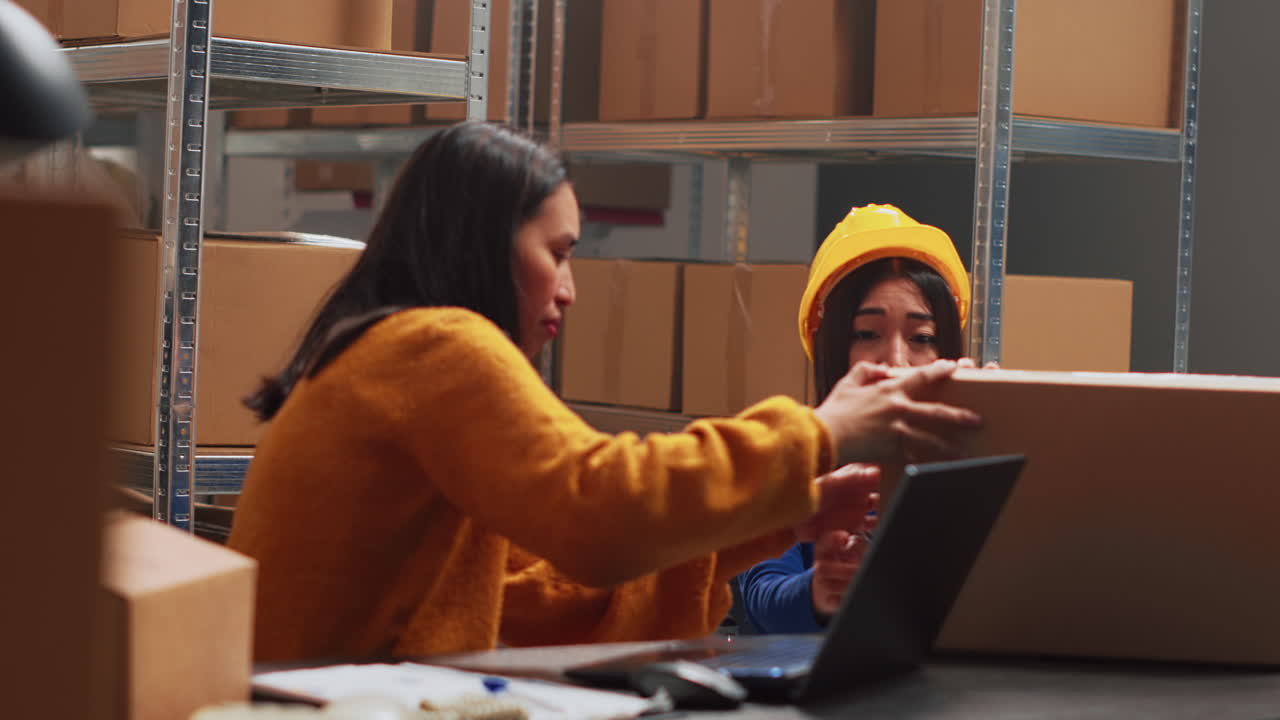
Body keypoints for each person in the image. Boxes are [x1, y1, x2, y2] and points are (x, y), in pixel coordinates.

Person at [226, 126, 981, 662]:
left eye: (921, 335)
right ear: (482, 245)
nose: (570, 289)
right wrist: (817, 435)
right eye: (556, 253)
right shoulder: (435, 350)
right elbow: (600, 508)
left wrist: (785, 520)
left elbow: (541, 593)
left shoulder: (388, 358)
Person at [737, 203, 972, 633]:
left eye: (922, 337)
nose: (897, 361)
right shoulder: (791, 453)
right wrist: (821, 590)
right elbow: (762, 593)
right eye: (867, 334)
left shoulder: (967, 463)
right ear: (830, 345)